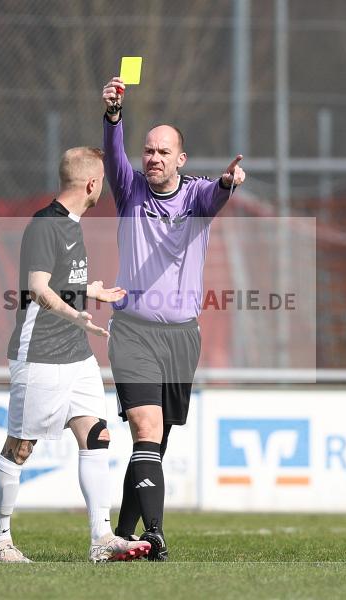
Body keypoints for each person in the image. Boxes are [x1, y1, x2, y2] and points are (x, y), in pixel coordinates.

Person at [100, 77, 246, 560]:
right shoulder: (130, 191)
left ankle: (119, 535)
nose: (154, 158)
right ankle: (155, 533)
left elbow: (216, 198)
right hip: (133, 334)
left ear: (181, 159)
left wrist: (227, 182)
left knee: (153, 446)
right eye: (149, 150)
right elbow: (114, 156)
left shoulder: (198, 196)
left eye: (164, 152)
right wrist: (114, 117)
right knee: (145, 430)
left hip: (182, 338)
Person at [0, 146, 152, 563]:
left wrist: (90, 291)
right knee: (21, 448)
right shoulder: (46, 225)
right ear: (92, 184)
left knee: (96, 435)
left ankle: (101, 538)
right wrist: (79, 315)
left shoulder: (73, 225)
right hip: (39, 354)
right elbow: (39, 288)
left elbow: (60, 283)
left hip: (76, 357)